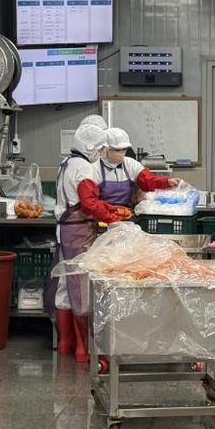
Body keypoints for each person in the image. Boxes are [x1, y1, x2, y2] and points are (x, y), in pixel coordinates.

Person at [47, 121, 125, 363]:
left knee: (65, 287)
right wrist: (113, 218)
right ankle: (84, 350)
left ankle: (65, 343)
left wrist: (109, 208)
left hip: (64, 231)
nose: (100, 153)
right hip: (79, 233)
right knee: (82, 290)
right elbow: (89, 204)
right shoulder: (84, 168)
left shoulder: (67, 163)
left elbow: (83, 200)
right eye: (100, 148)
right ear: (91, 147)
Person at [94, 127, 181, 209]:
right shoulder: (94, 168)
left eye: (124, 150)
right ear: (104, 149)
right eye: (117, 150)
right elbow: (91, 201)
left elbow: (148, 180)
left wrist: (167, 182)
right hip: (101, 213)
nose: (121, 153)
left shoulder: (130, 164)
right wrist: (108, 213)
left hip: (126, 212)